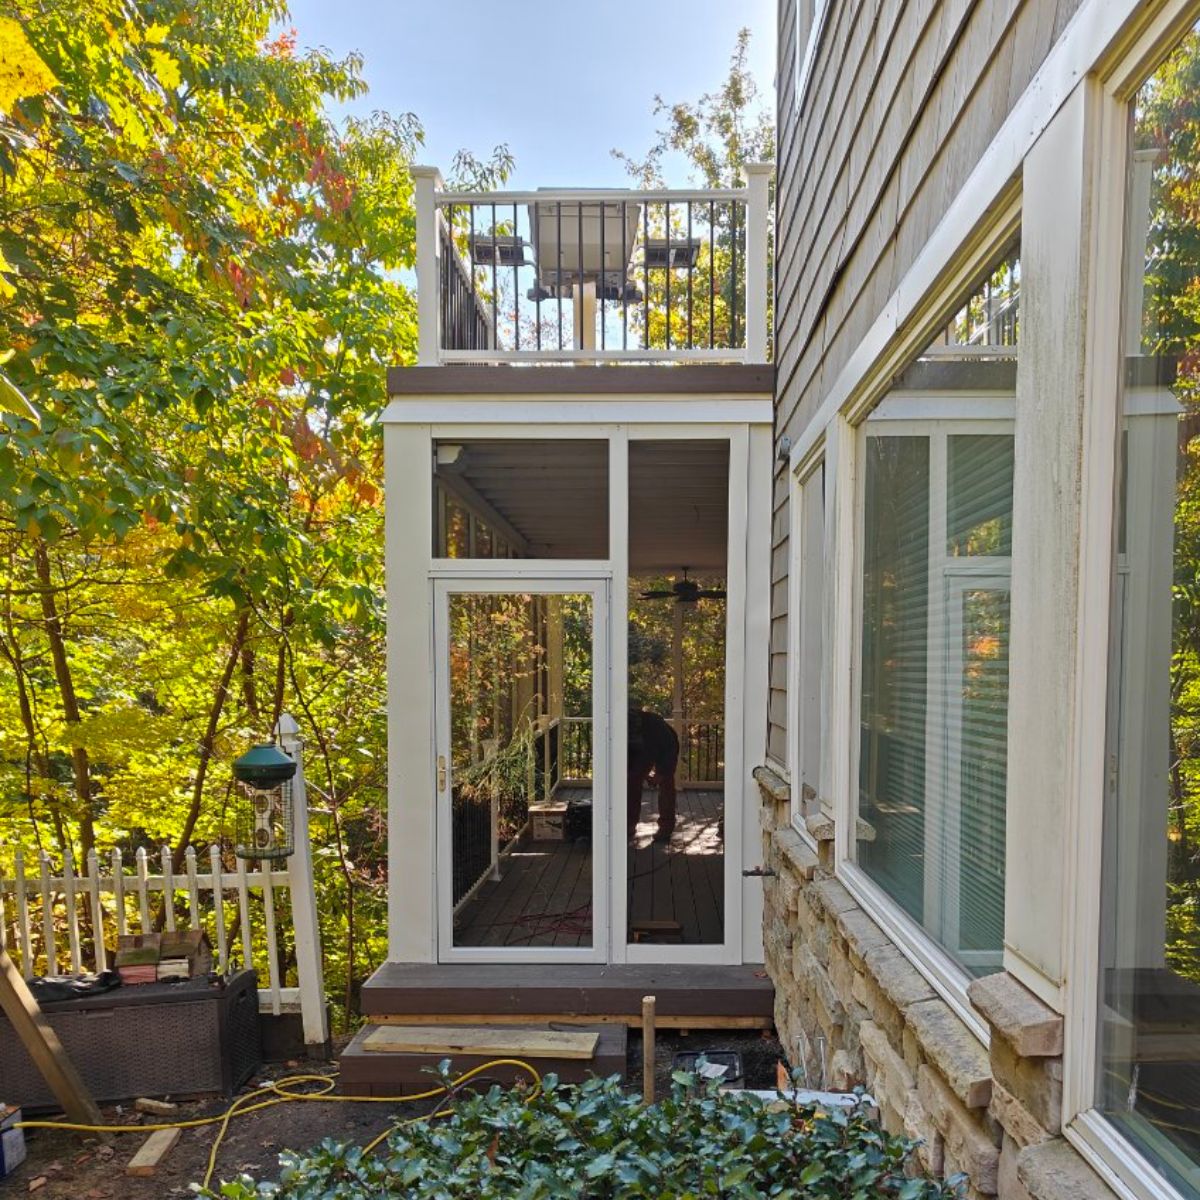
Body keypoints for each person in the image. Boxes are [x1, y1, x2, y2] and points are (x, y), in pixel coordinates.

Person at [627, 709, 679, 843]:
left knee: (666, 785)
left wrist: (661, 773)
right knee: (631, 783)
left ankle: (666, 828)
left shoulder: (659, 731)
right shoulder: (621, 732)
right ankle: (629, 825)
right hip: (639, 750)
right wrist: (641, 774)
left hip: (665, 747)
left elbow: (669, 753)